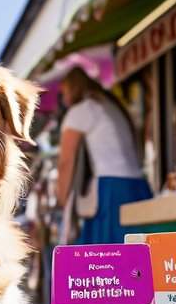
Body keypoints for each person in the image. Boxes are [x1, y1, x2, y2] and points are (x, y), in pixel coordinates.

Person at [57, 67, 152, 244]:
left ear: (73, 88)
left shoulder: (82, 110)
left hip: (111, 188)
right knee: (139, 254)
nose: (62, 99)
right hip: (138, 185)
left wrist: (62, 198)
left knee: (107, 257)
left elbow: (66, 161)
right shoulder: (110, 106)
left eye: (63, 92)